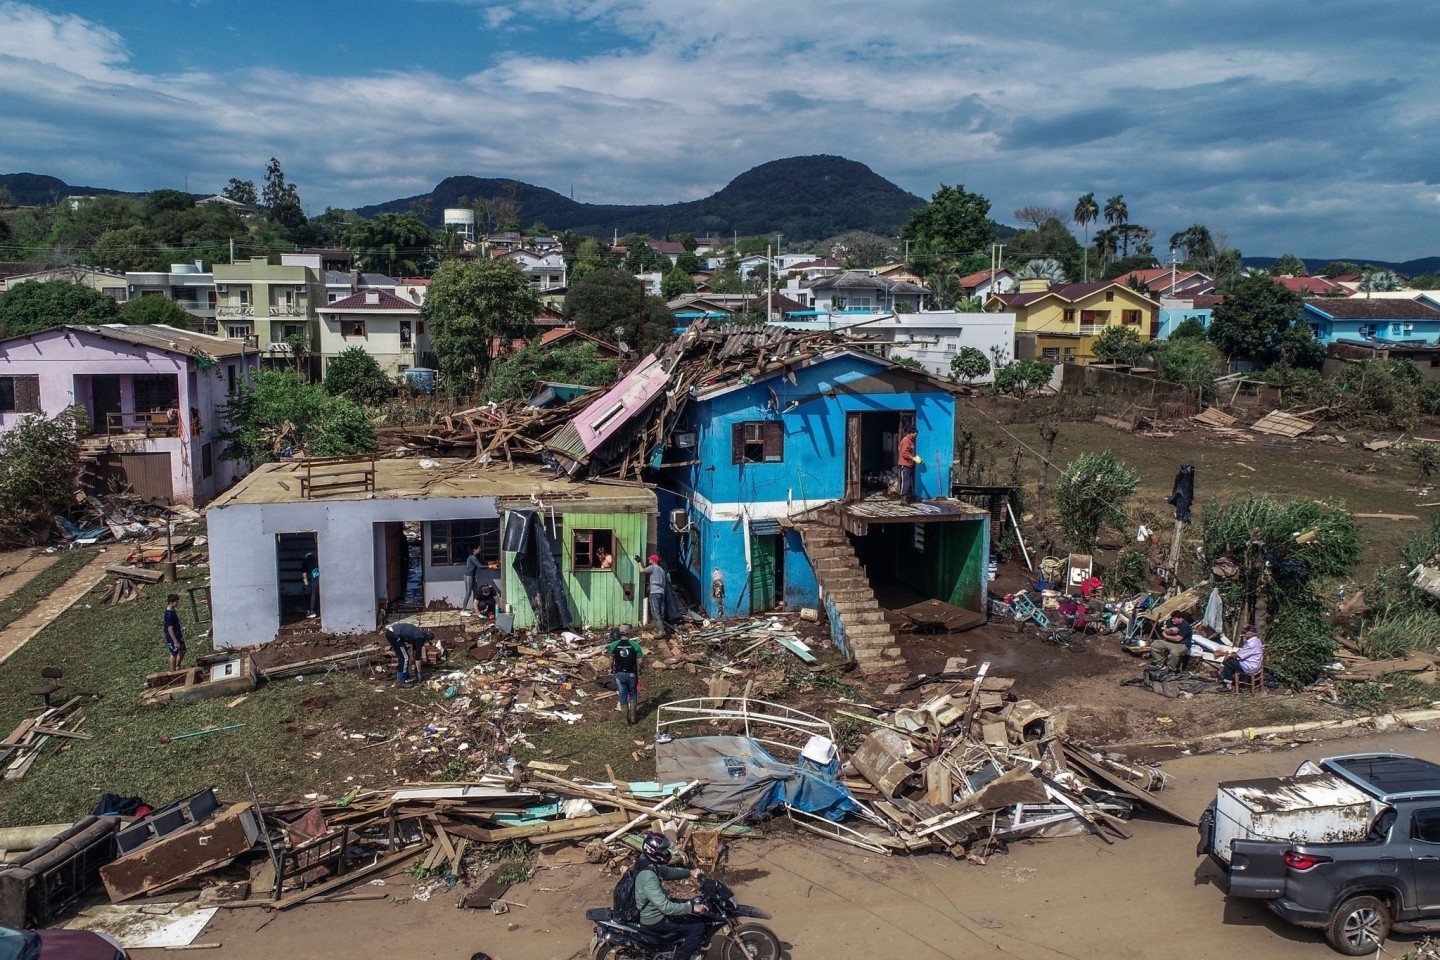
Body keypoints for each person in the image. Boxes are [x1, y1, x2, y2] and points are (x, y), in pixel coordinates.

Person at [634, 832, 708, 960]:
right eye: (663, 850)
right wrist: (691, 908)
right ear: (653, 851)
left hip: (657, 908)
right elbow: (666, 908)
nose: (666, 852)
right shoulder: (648, 876)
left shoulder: (650, 864)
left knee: (691, 904)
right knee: (697, 927)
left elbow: (668, 872)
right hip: (655, 918)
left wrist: (690, 872)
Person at [608, 627, 645, 724]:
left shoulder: (614, 645)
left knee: (623, 695)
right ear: (629, 632)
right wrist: (641, 668)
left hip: (619, 674)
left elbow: (611, 659)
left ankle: (625, 719)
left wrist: (611, 668)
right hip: (632, 673)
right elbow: (640, 661)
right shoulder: (635, 645)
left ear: (620, 633)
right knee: (633, 693)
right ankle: (633, 717)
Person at [385, 622, 433, 687]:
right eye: (427, 642)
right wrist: (419, 672)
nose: (426, 643)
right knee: (404, 657)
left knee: (404, 656)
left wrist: (416, 667)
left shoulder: (418, 634)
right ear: (427, 639)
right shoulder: (420, 638)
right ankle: (400, 680)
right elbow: (418, 656)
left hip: (392, 633)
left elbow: (415, 652)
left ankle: (405, 675)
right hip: (394, 635)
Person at [1220, 624, 1265, 688]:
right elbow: (1244, 652)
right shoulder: (1257, 640)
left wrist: (1230, 655)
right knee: (1230, 662)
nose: (1244, 633)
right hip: (1255, 664)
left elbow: (1239, 655)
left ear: (1251, 633)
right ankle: (1225, 679)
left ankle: (1227, 685)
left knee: (1228, 662)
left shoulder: (1251, 644)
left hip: (1249, 667)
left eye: (1246, 632)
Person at [642, 555, 671, 635]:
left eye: (650, 559)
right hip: (662, 592)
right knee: (661, 611)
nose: (649, 561)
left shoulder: (652, 567)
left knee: (655, 611)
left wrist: (638, 562)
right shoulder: (662, 570)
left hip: (654, 592)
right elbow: (665, 583)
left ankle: (661, 630)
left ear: (653, 560)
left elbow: (642, 570)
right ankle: (660, 628)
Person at [163, 593, 186, 671]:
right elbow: (170, 628)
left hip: (178, 634)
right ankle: (173, 671)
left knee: (183, 650)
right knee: (174, 653)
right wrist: (175, 641)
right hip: (172, 636)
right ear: (170, 602)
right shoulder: (169, 614)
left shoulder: (172, 610)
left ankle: (177, 665)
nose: (177, 603)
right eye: (176, 602)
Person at [462, 545, 485, 617]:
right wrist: (491, 566)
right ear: (475, 549)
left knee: (476, 592)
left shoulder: (475, 557)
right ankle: (463, 610)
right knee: (468, 593)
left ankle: (476, 608)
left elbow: (483, 563)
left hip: (472, 577)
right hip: (468, 576)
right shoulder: (472, 557)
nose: (480, 550)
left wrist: (492, 563)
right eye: (479, 549)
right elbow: (480, 566)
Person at [897, 427, 919, 502]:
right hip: (905, 464)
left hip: (909, 464)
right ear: (911, 433)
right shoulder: (906, 440)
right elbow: (904, 453)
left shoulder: (911, 440)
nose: (916, 436)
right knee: (905, 481)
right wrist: (913, 458)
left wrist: (916, 458)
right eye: (915, 434)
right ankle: (903, 498)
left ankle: (909, 497)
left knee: (909, 481)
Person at [302, 552, 320, 619]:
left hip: (315, 577)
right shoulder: (316, 560)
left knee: (313, 594)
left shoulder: (305, 562)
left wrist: (306, 583)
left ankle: (312, 612)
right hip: (320, 576)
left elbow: (304, 574)